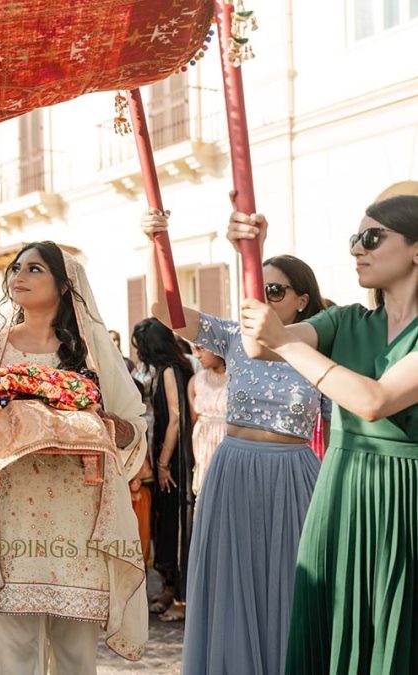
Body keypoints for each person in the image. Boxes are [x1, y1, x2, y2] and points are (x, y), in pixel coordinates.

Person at [142, 207, 326, 674]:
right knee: (232, 582)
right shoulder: (231, 336)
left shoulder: (323, 344)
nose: (261, 298)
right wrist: (155, 241)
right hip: (234, 469)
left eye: (275, 290)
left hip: (294, 474)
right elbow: (166, 312)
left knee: (290, 583)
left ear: (302, 300)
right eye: (256, 288)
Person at [239, 194, 418, 674]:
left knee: (397, 632)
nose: (358, 249)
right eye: (355, 239)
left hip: (405, 501)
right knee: (331, 623)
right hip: (339, 490)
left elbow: (374, 401)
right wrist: (251, 257)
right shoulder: (345, 321)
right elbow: (260, 347)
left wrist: (282, 340)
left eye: (373, 237)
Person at [0, 242, 148, 673]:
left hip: (79, 512)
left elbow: (133, 425)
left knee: (76, 649)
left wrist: (95, 426)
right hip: (12, 508)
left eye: (34, 268)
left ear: (64, 285)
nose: (18, 276)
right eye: (16, 268)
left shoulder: (90, 348)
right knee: (15, 643)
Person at [131, 317, 195, 623]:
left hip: (174, 460)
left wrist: (163, 461)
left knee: (173, 523)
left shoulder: (170, 370)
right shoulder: (172, 368)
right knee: (164, 523)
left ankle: (179, 595)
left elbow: (176, 416)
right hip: (167, 456)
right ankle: (170, 589)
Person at [187, 345, 227, 497]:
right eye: (194, 350)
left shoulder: (239, 378)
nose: (197, 355)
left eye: (201, 349)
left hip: (229, 443)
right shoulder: (195, 381)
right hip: (202, 445)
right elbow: (192, 420)